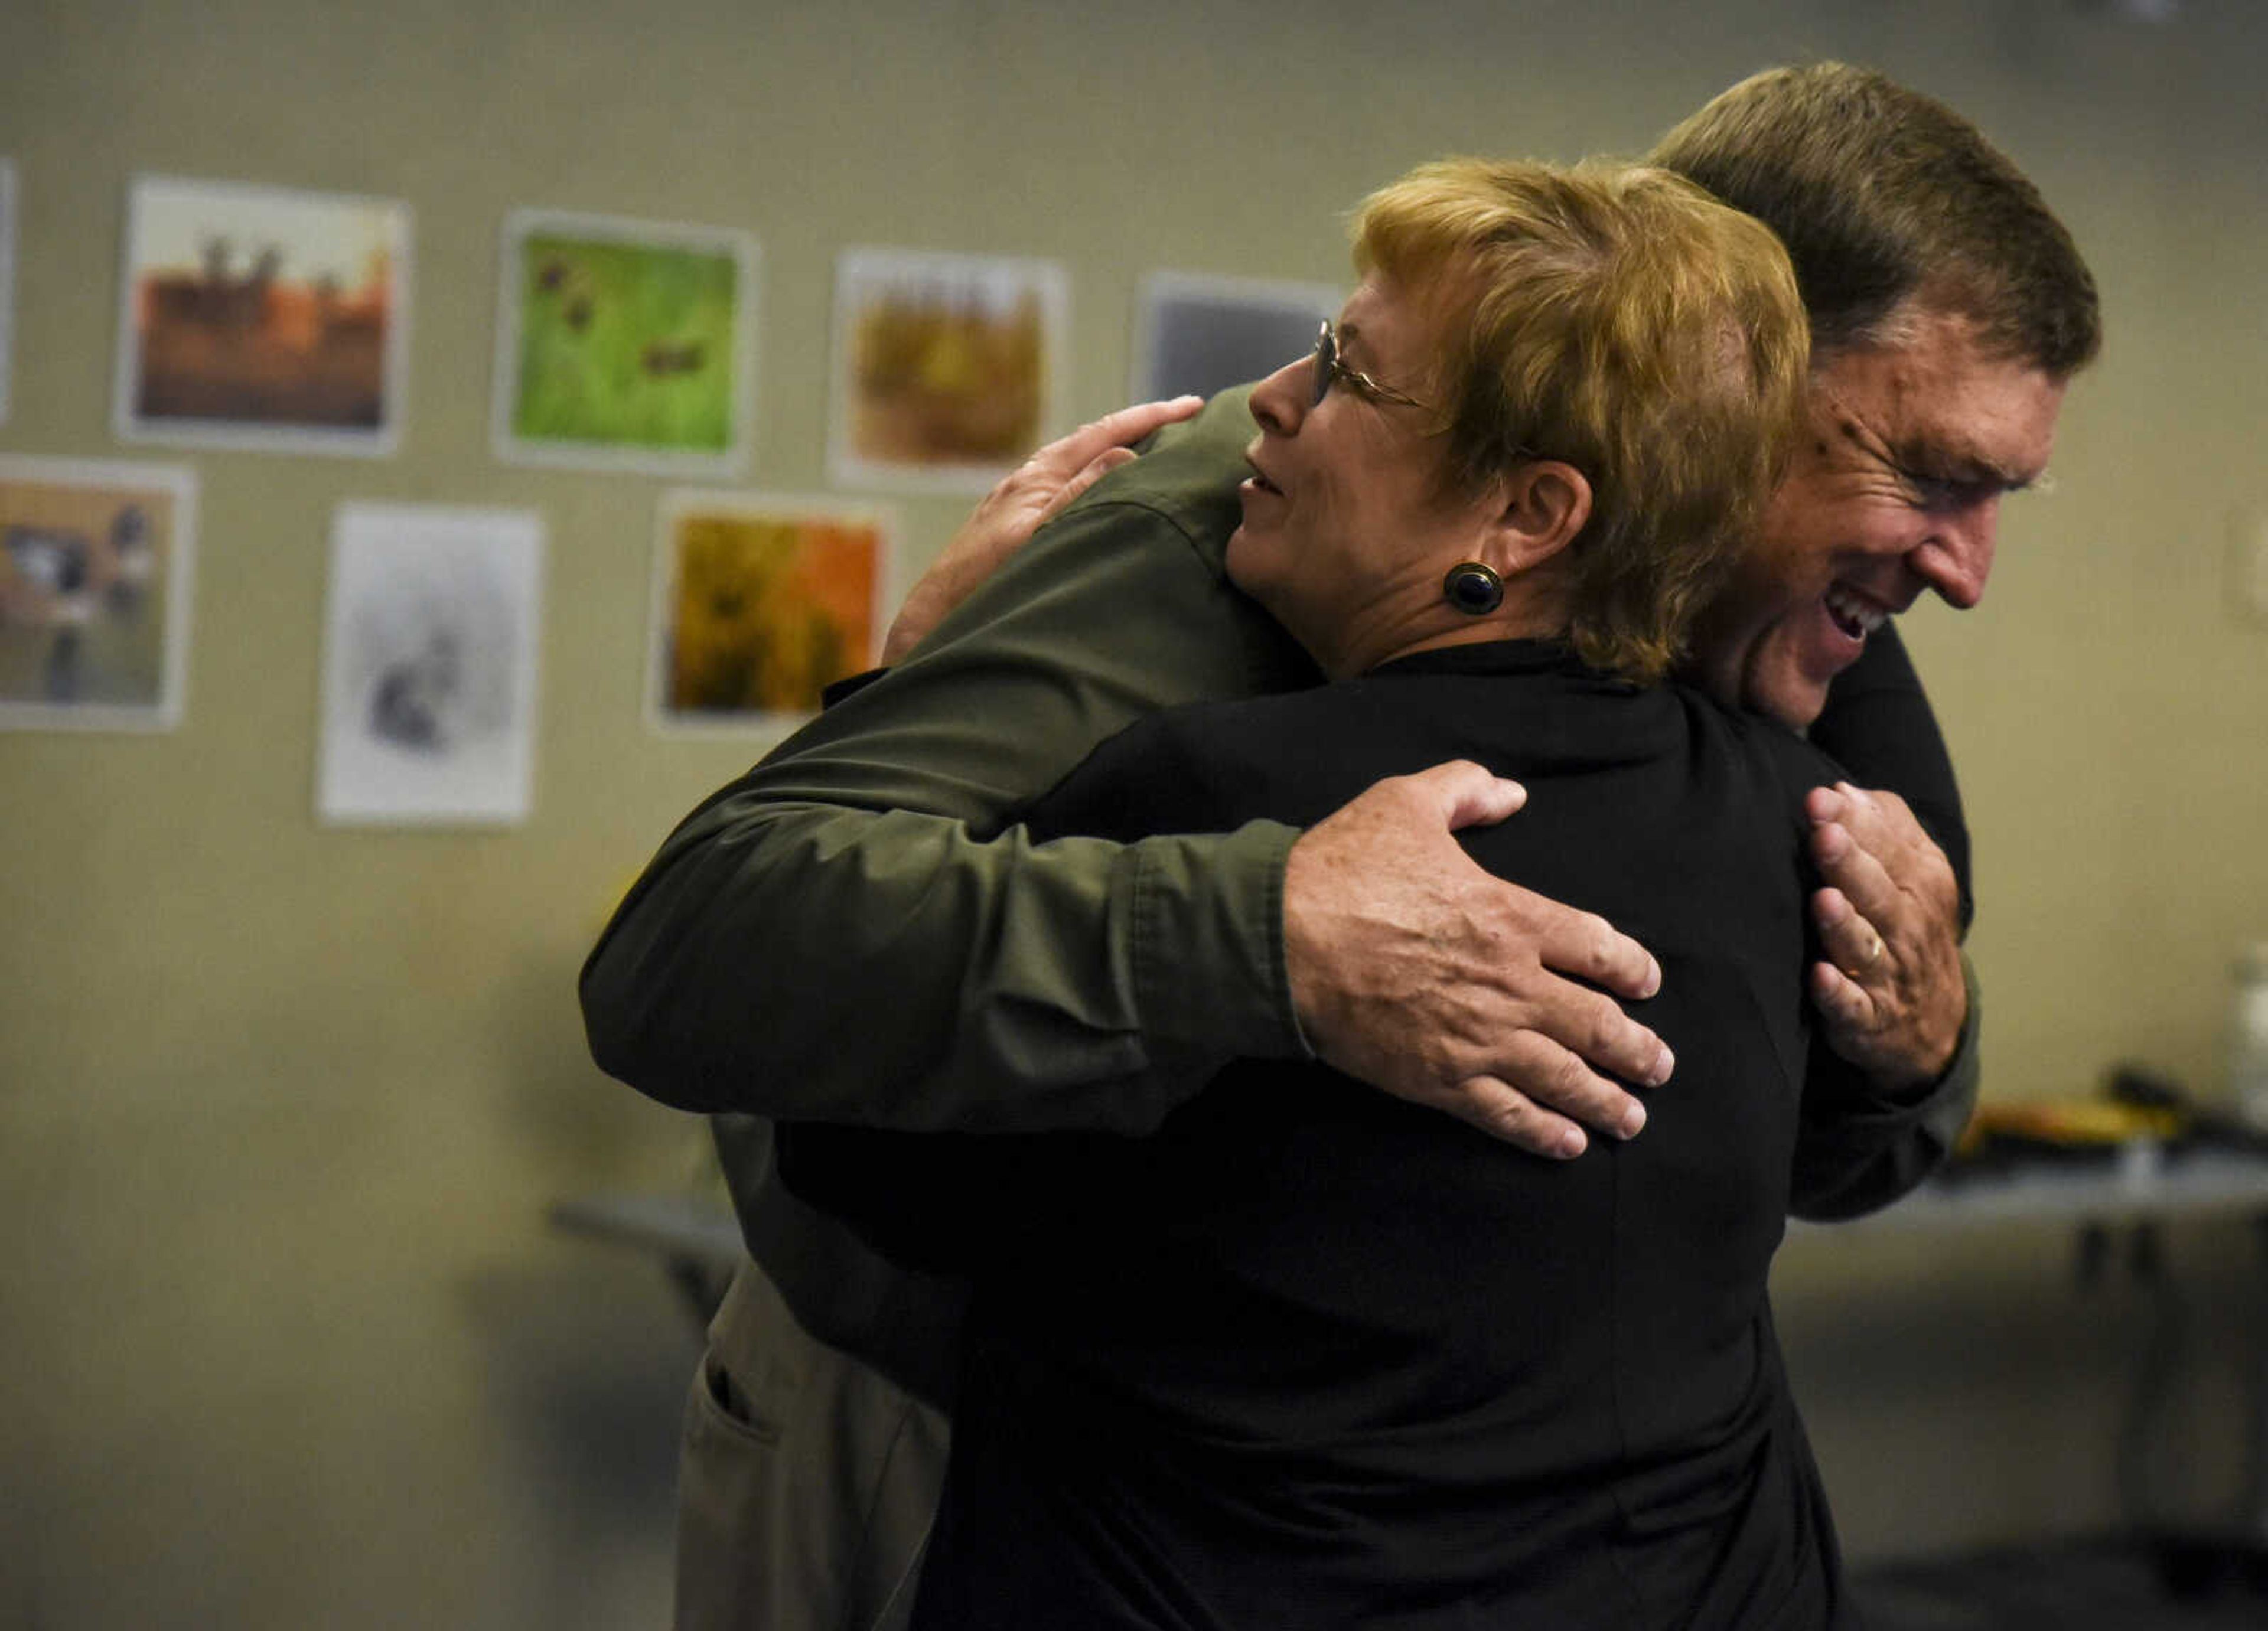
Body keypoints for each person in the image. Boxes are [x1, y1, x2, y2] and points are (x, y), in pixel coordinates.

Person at [579, 61, 2098, 1631]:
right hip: (942, 1416)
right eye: (1929, 473)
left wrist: (1919, 1048)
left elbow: (1810, 1146)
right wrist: (1263, 930)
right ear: (1727, 363)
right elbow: (718, 961)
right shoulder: (1244, 531)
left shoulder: (1791, 652)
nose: (1967, 566)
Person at [781, 149, 1850, 1630]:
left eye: (1352, 373)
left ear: (1529, 516)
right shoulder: (1796, 825)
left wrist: (911, 686)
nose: (1272, 399)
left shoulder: (1211, 799)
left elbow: (844, 1143)